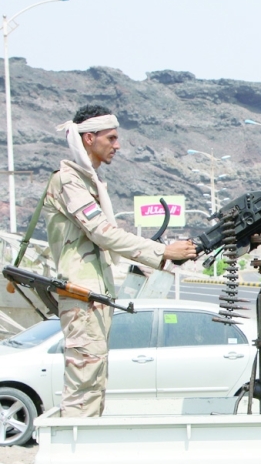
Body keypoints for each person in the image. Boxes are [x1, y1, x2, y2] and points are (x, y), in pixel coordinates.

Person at [43, 104, 197, 417]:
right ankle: (73, 459)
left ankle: (82, 454)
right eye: (111, 138)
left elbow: (100, 243)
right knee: (83, 387)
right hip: (81, 297)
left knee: (94, 384)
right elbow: (102, 232)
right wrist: (162, 252)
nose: (118, 145)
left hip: (93, 296)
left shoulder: (88, 182)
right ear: (89, 138)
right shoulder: (69, 181)